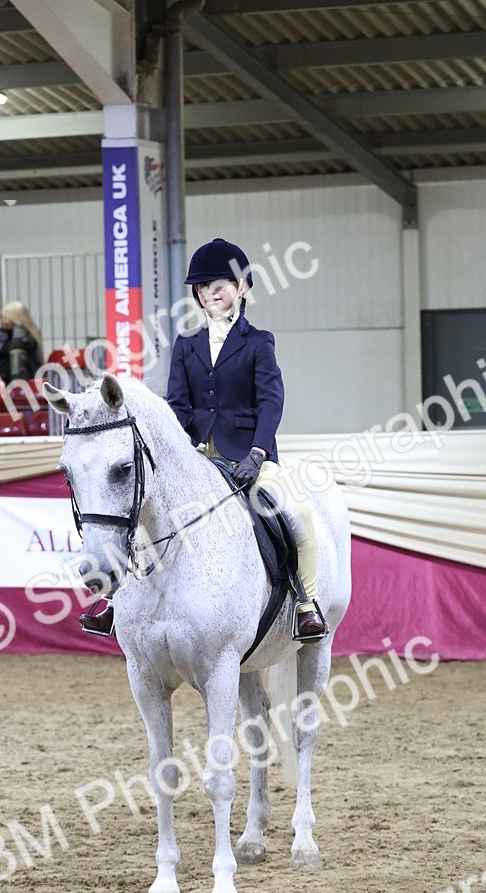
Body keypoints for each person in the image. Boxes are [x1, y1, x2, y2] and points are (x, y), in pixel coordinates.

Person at [80, 237, 326, 642]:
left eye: (221, 283)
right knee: (142, 511)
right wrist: (175, 448)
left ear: (241, 287)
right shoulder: (186, 344)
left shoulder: (259, 341)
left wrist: (259, 452)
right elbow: (178, 404)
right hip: (195, 454)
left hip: (248, 454)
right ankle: (113, 602)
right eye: (203, 286)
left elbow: (271, 402)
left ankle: (306, 604)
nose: (211, 291)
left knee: (297, 516)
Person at [0, 301, 43, 390]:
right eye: (2, 318)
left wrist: (18, 329)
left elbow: (16, 347)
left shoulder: (27, 336)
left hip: (19, 377)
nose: (4, 321)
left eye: (7, 318)